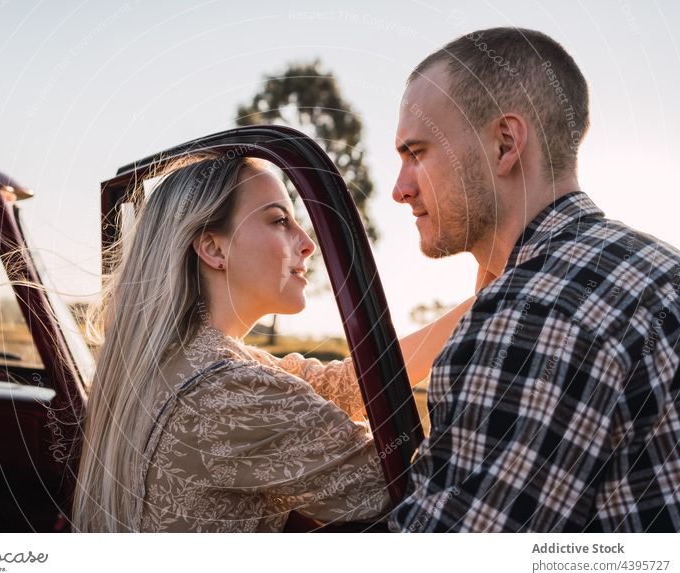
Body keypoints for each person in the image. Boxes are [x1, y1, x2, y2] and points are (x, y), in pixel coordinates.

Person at [388, 27, 680, 533]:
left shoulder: (536, 313)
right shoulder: (666, 272)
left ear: (505, 143)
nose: (400, 189)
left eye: (416, 152)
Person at [71, 155, 474, 532]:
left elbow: (345, 384)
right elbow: (411, 491)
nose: (307, 242)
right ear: (214, 248)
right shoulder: (227, 390)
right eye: (280, 220)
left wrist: (484, 303)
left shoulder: (186, 358)